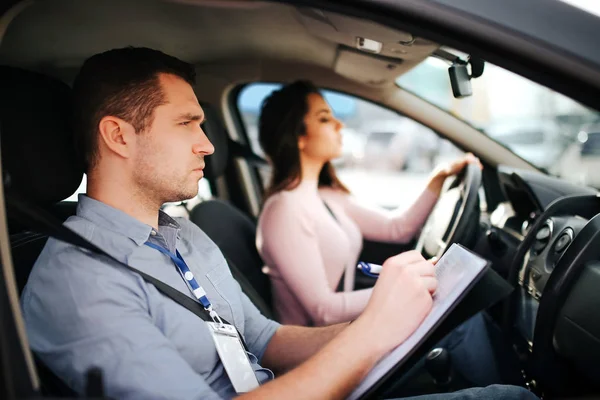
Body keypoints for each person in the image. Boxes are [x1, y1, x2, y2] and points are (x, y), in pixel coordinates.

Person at [21, 47, 536, 400]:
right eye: (186, 124)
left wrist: (379, 325)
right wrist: (374, 330)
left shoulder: (182, 232)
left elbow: (264, 338)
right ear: (119, 136)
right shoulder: (77, 280)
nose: (208, 145)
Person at [255, 80, 504, 386]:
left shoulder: (324, 196)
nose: (339, 124)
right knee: (463, 322)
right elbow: (322, 311)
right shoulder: (284, 210)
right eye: (324, 118)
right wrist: (403, 289)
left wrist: (438, 178)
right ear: (298, 137)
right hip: (318, 358)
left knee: (465, 310)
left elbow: (397, 228)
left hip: (348, 333)